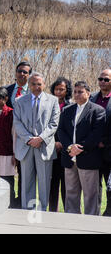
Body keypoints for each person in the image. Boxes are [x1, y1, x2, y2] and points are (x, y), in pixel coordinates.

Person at [13, 72, 60, 211]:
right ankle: (28, 210)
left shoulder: (52, 100)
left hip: (44, 146)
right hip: (26, 146)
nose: (36, 86)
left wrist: (40, 138)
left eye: (39, 84)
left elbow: (54, 123)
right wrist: (29, 139)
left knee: (44, 181)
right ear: (29, 84)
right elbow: (17, 123)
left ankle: (42, 210)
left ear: (44, 85)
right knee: (27, 181)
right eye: (33, 84)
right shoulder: (20, 101)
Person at [57, 81, 106, 215]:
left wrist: (81, 148)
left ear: (88, 93)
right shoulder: (67, 110)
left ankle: (90, 224)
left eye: (80, 92)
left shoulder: (97, 110)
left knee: (90, 195)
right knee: (71, 193)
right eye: (75, 92)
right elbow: (61, 131)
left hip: (88, 158)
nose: (77, 94)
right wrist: (69, 147)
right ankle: (72, 223)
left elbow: (96, 134)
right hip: (69, 157)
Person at [4, 61, 32, 208]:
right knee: (7, 170)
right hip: (7, 137)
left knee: (23, 171)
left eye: (25, 72)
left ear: (29, 75)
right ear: (15, 73)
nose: (22, 74)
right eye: (20, 71)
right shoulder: (6, 90)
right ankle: (9, 200)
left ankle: (22, 201)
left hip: (24, 137)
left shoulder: (33, 92)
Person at [48, 77, 73, 212]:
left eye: (62, 89)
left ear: (67, 90)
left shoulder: (71, 106)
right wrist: (53, 142)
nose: (58, 92)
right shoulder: (48, 105)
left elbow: (73, 128)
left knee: (67, 184)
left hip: (66, 150)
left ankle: (68, 212)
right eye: (56, 89)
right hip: (51, 149)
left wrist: (63, 143)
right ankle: (52, 212)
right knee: (53, 183)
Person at [90, 68, 111, 216]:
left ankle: (109, 211)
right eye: (100, 79)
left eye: (106, 79)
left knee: (110, 185)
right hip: (93, 150)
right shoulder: (91, 98)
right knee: (95, 186)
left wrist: (106, 141)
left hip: (109, 149)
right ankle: (94, 214)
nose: (102, 82)